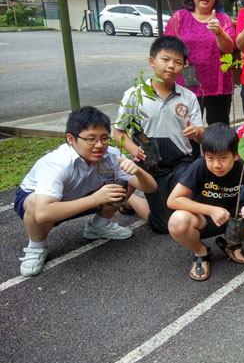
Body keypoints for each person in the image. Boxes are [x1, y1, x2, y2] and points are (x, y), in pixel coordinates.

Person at [14, 106, 157, 277]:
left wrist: (138, 171)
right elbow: (43, 213)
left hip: (82, 196)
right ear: (71, 139)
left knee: (125, 183)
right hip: (47, 205)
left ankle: (98, 226)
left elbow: (150, 188)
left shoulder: (111, 156)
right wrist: (96, 198)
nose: (99, 145)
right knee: (34, 202)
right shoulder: (56, 163)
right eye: (91, 139)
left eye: (104, 138)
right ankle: (36, 246)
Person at [167, 123, 244, 280]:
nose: (216, 164)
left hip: (234, 217)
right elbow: (173, 200)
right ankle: (201, 252)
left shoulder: (241, 167)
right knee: (177, 221)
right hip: (204, 220)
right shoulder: (200, 166)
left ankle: (231, 242)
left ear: (236, 155)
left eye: (223, 158)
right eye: (210, 158)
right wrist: (211, 210)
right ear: (205, 155)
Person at [114, 36, 205, 234]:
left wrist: (197, 132)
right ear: (152, 61)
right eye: (166, 59)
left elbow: (201, 136)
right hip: (151, 166)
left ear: (184, 66)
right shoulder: (134, 95)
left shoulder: (188, 97)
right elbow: (119, 132)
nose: (172, 66)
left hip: (182, 163)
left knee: (190, 211)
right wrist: (133, 149)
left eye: (178, 62)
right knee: (163, 226)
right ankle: (132, 200)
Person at [165, 0, 236, 127]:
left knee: (218, 130)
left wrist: (219, 32)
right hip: (186, 84)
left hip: (218, 86)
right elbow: (166, 49)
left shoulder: (223, 19)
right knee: (187, 129)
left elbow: (229, 49)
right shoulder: (179, 17)